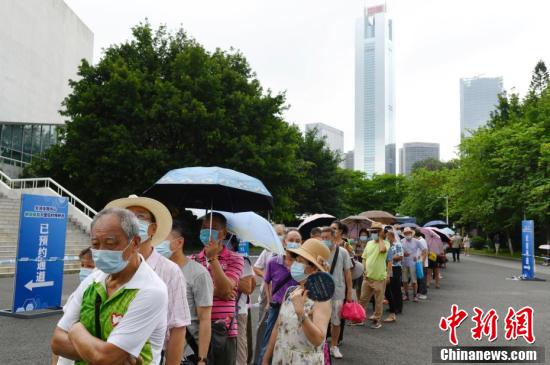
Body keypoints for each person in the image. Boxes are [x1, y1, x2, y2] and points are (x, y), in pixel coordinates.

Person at [51, 207, 168, 365]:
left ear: (134, 243)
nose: (101, 251)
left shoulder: (151, 290)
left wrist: (75, 330)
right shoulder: (94, 280)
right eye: (95, 244)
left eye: (110, 243)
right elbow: (57, 342)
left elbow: (105, 359)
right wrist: (104, 354)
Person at [107, 195, 191, 365]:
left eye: (140, 217)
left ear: (153, 228)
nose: (133, 222)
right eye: (127, 217)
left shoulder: (169, 271)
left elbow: (178, 327)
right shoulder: (108, 266)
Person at [261, 239, 332, 364]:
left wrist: (301, 313)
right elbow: (277, 327)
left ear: (314, 268)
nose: (294, 264)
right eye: (296, 260)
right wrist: (266, 358)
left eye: (300, 262)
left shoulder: (321, 300)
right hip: (281, 358)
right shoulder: (290, 291)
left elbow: (318, 340)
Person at [194, 212, 244, 365]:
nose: (207, 231)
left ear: (223, 234)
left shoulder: (235, 258)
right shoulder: (193, 260)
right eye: (204, 227)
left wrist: (212, 259)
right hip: (197, 329)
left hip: (224, 329)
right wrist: (216, 291)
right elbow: (188, 293)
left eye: (213, 228)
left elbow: (225, 289)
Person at [162, 219, 213, 365]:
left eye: (163, 240)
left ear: (179, 243)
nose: (157, 244)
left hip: (186, 352)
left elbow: (204, 319)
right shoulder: (155, 270)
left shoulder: (198, 274)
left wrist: (202, 359)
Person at [257, 230, 301, 363]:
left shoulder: (303, 265)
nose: (294, 243)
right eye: (291, 240)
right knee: (269, 340)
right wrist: (269, 300)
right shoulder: (273, 262)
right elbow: (266, 280)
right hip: (276, 308)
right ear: (284, 242)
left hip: (295, 309)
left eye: (297, 241)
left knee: (292, 341)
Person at [253, 225, 282, 365]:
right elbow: (256, 267)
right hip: (266, 296)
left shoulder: (293, 256)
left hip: (281, 299)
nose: (280, 236)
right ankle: (260, 359)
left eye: (282, 233)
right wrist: (268, 276)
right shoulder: (268, 251)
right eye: (278, 233)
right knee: (264, 328)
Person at [321, 226, 352, 358]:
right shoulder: (319, 252)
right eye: (322, 238)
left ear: (334, 237)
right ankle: (320, 345)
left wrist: (349, 292)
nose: (324, 240)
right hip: (321, 292)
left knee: (336, 321)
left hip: (338, 291)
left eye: (327, 238)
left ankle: (334, 346)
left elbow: (347, 273)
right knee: (320, 320)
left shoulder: (343, 252)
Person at [225, 235, 256, 365]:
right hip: (218, 310)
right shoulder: (212, 259)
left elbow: (249, 287)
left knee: (239, 349)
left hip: (238, 311)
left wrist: (226, 278)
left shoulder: (242, 260)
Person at [359, 222, 389, 329]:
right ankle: (359, 318)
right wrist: (364, 269)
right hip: (367, 277)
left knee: (378, 301)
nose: (373, 233)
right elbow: (364, 258)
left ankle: (377, 320)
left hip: (379, 278)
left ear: (381, 232)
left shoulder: (385, 243)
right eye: (372, 232)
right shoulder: (369, 243)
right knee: (362, 299)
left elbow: (382, 250)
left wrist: (381, 238)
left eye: (376, 231)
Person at [383, 230, 403, 322]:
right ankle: (393, 307)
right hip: (387, 268)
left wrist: (389, 258)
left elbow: (400, 256)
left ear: (392, 237)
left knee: (396, 288)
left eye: (388, 237)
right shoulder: (387, 246)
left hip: (396, 268)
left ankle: (398, 307)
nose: (387, 238)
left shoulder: (398, 245)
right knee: (389, 288)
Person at [401, 227, 422, 302]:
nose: (407, 234)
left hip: (413, 263)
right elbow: (399, 251)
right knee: (405, 280)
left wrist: (418, 257)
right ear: (404, 234)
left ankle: (415, 295)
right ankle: (406, 295)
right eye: (406, 233)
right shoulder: (401, 241)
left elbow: (424, 250)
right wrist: (403, 254)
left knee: (414, 280)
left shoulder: (417, 241)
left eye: (409, 233)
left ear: (411, 233)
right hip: (404, 263)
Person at [353, 228, 369, 302]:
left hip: (367, 265)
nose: (363, 236)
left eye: (365, 235)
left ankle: (364, 300)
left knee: (366, 284)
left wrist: (363, 248)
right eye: (362, 235)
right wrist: (358, 252)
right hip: (358, 265)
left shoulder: (369, 243)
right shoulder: (356, 243)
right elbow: (353, 253)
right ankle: (359, 300)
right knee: (358, 285)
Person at [415, 230, 429, 300]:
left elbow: (425, 251)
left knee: (422, 278)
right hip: (418, 262)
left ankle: (423, 293)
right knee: (419, 278)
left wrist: (423, 262)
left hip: (422, 263)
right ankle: (419, 292)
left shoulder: (421, 240)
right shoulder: (418, 240)